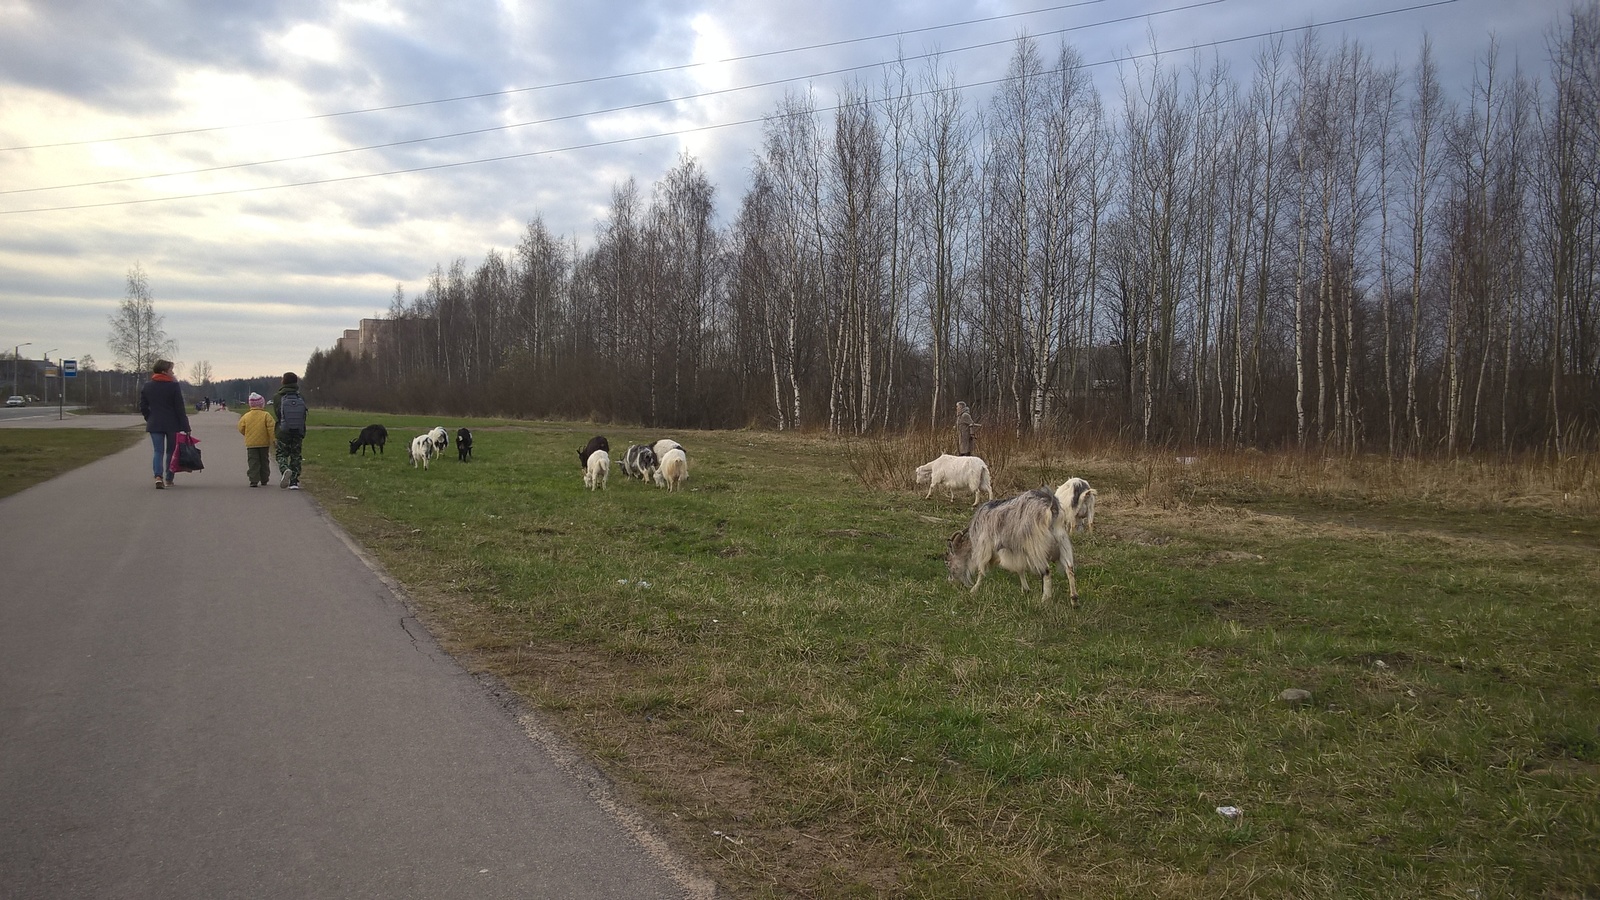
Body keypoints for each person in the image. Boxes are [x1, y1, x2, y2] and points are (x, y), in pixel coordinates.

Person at [137, 359, 191, 489]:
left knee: (158, 451)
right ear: (164, 371)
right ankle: (169, 478)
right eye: (171, 370)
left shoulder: (147, 386)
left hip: (154, 423)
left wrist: (149, 417)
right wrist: (186, 427)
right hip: (172, 424)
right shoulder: (173, 386)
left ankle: (157, 477)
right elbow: (180, 408)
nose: (172, 372)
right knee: (171, 452)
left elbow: (143, 406)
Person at [270, 372, 308, 490]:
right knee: (296, 455)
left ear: (284, 381)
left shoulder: (277, 397)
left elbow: (278, 414)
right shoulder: (300, 396)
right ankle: (294, 482)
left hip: (283, 430)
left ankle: (285, 468)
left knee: (281, 453)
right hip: (298, 430)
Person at [237, 392, 276, 487]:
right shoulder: (266, 415)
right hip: (264, 443)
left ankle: (253, 480)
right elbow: (271, 428)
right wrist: (274, 439)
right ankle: (264, 479)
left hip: (251, 443)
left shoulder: (246, 416)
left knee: (253, 461)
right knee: (264, 461)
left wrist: (247, 434)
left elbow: (240, 428)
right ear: (262, 404)